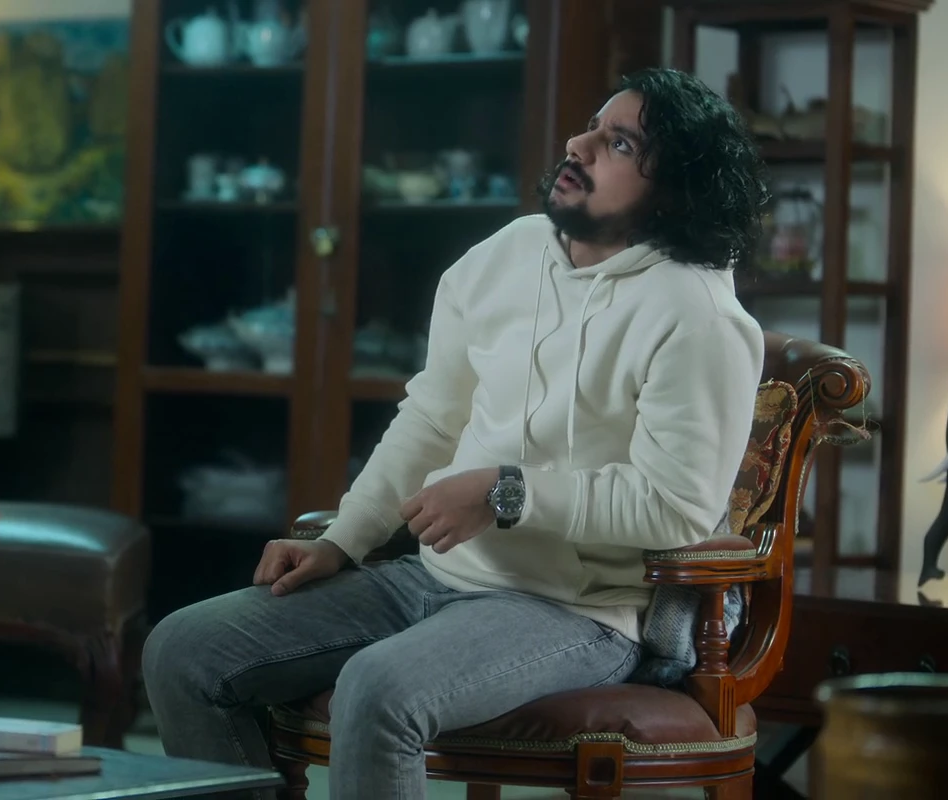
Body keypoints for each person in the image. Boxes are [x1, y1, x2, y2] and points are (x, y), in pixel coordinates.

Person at [140, 67, 771, 800]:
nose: (580, 145)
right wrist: (343, 539)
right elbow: (433, 417)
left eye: (620, 144)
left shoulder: (699, 318)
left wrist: (507, 493)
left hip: (577, 613)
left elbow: (675, 509)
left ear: (674, 193)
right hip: (434, 576)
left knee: (377, 688)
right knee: (182, 650)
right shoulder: (508, 252)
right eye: (593, 125)